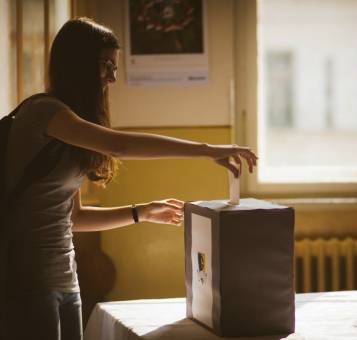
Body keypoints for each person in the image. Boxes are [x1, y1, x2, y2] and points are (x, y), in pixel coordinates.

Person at [3, 17, 257, 340]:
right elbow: (120, 145)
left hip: (65, 279)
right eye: (106, 65)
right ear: (78, 64)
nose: (112, 77)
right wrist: (207, 150)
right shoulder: (45, 112)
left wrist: (144, 212)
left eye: (115, 67)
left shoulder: (70, 132)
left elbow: (74, 218)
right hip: (29, 281)